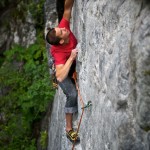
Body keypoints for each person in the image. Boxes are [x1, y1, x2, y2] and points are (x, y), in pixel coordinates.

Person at [46, 0, 79, 143]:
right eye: (62, 31)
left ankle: (54, 67)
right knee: (71, 93)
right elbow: (61, 77)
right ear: (60, 41)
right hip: (62, 63)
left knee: (61, 67)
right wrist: (71, 57)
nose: (64, 29)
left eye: (61, 28)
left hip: (63, 62)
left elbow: (67, 8)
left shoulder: (62, 27)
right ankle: (68, 129)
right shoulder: (59, 51)